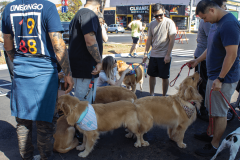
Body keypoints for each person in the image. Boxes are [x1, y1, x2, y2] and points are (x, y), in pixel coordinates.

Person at [2, 0, 74, 159]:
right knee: (45, 125)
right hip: (45, 75)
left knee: (22, 123)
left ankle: (26, 157)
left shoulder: (9, 8)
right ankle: (45, 157)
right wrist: (68, 73)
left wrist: (19, 62)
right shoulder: (47, 7)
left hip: (21, 74)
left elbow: (7, 44)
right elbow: (58, 44)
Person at [188, 0, 240, 157]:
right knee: (212, 110)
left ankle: (215, 144)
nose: (204, 21)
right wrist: (197, 60)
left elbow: (232, 54)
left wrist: (221, 78)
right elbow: (210, 47)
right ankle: (210, 134)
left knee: (220, 113)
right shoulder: (216, 23)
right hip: (213, 75)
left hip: (223, 78)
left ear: (211, 10)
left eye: (204, 17)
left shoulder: (229, 24)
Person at [69, 0, 103, 104]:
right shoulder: (89, 14)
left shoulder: (78, 15)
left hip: (80, 67)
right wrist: (99, 61)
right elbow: (90, 41)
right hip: (86, 68)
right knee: (84, 106)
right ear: (98, 7)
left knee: (81, 104)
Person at [143, 3, 176, 96]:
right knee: (152, 75)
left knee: (164, 77)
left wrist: (168, 54)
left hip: (164, 55)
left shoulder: (169, 22)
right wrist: (145, 53)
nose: (159, 17)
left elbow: (172, 39)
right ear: (153, 14)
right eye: (156, 16)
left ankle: (164, 96)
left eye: (161, 15)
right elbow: (149, 39)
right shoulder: (152, 24)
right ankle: (151, 95)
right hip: (153, 55)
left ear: (164, 12)